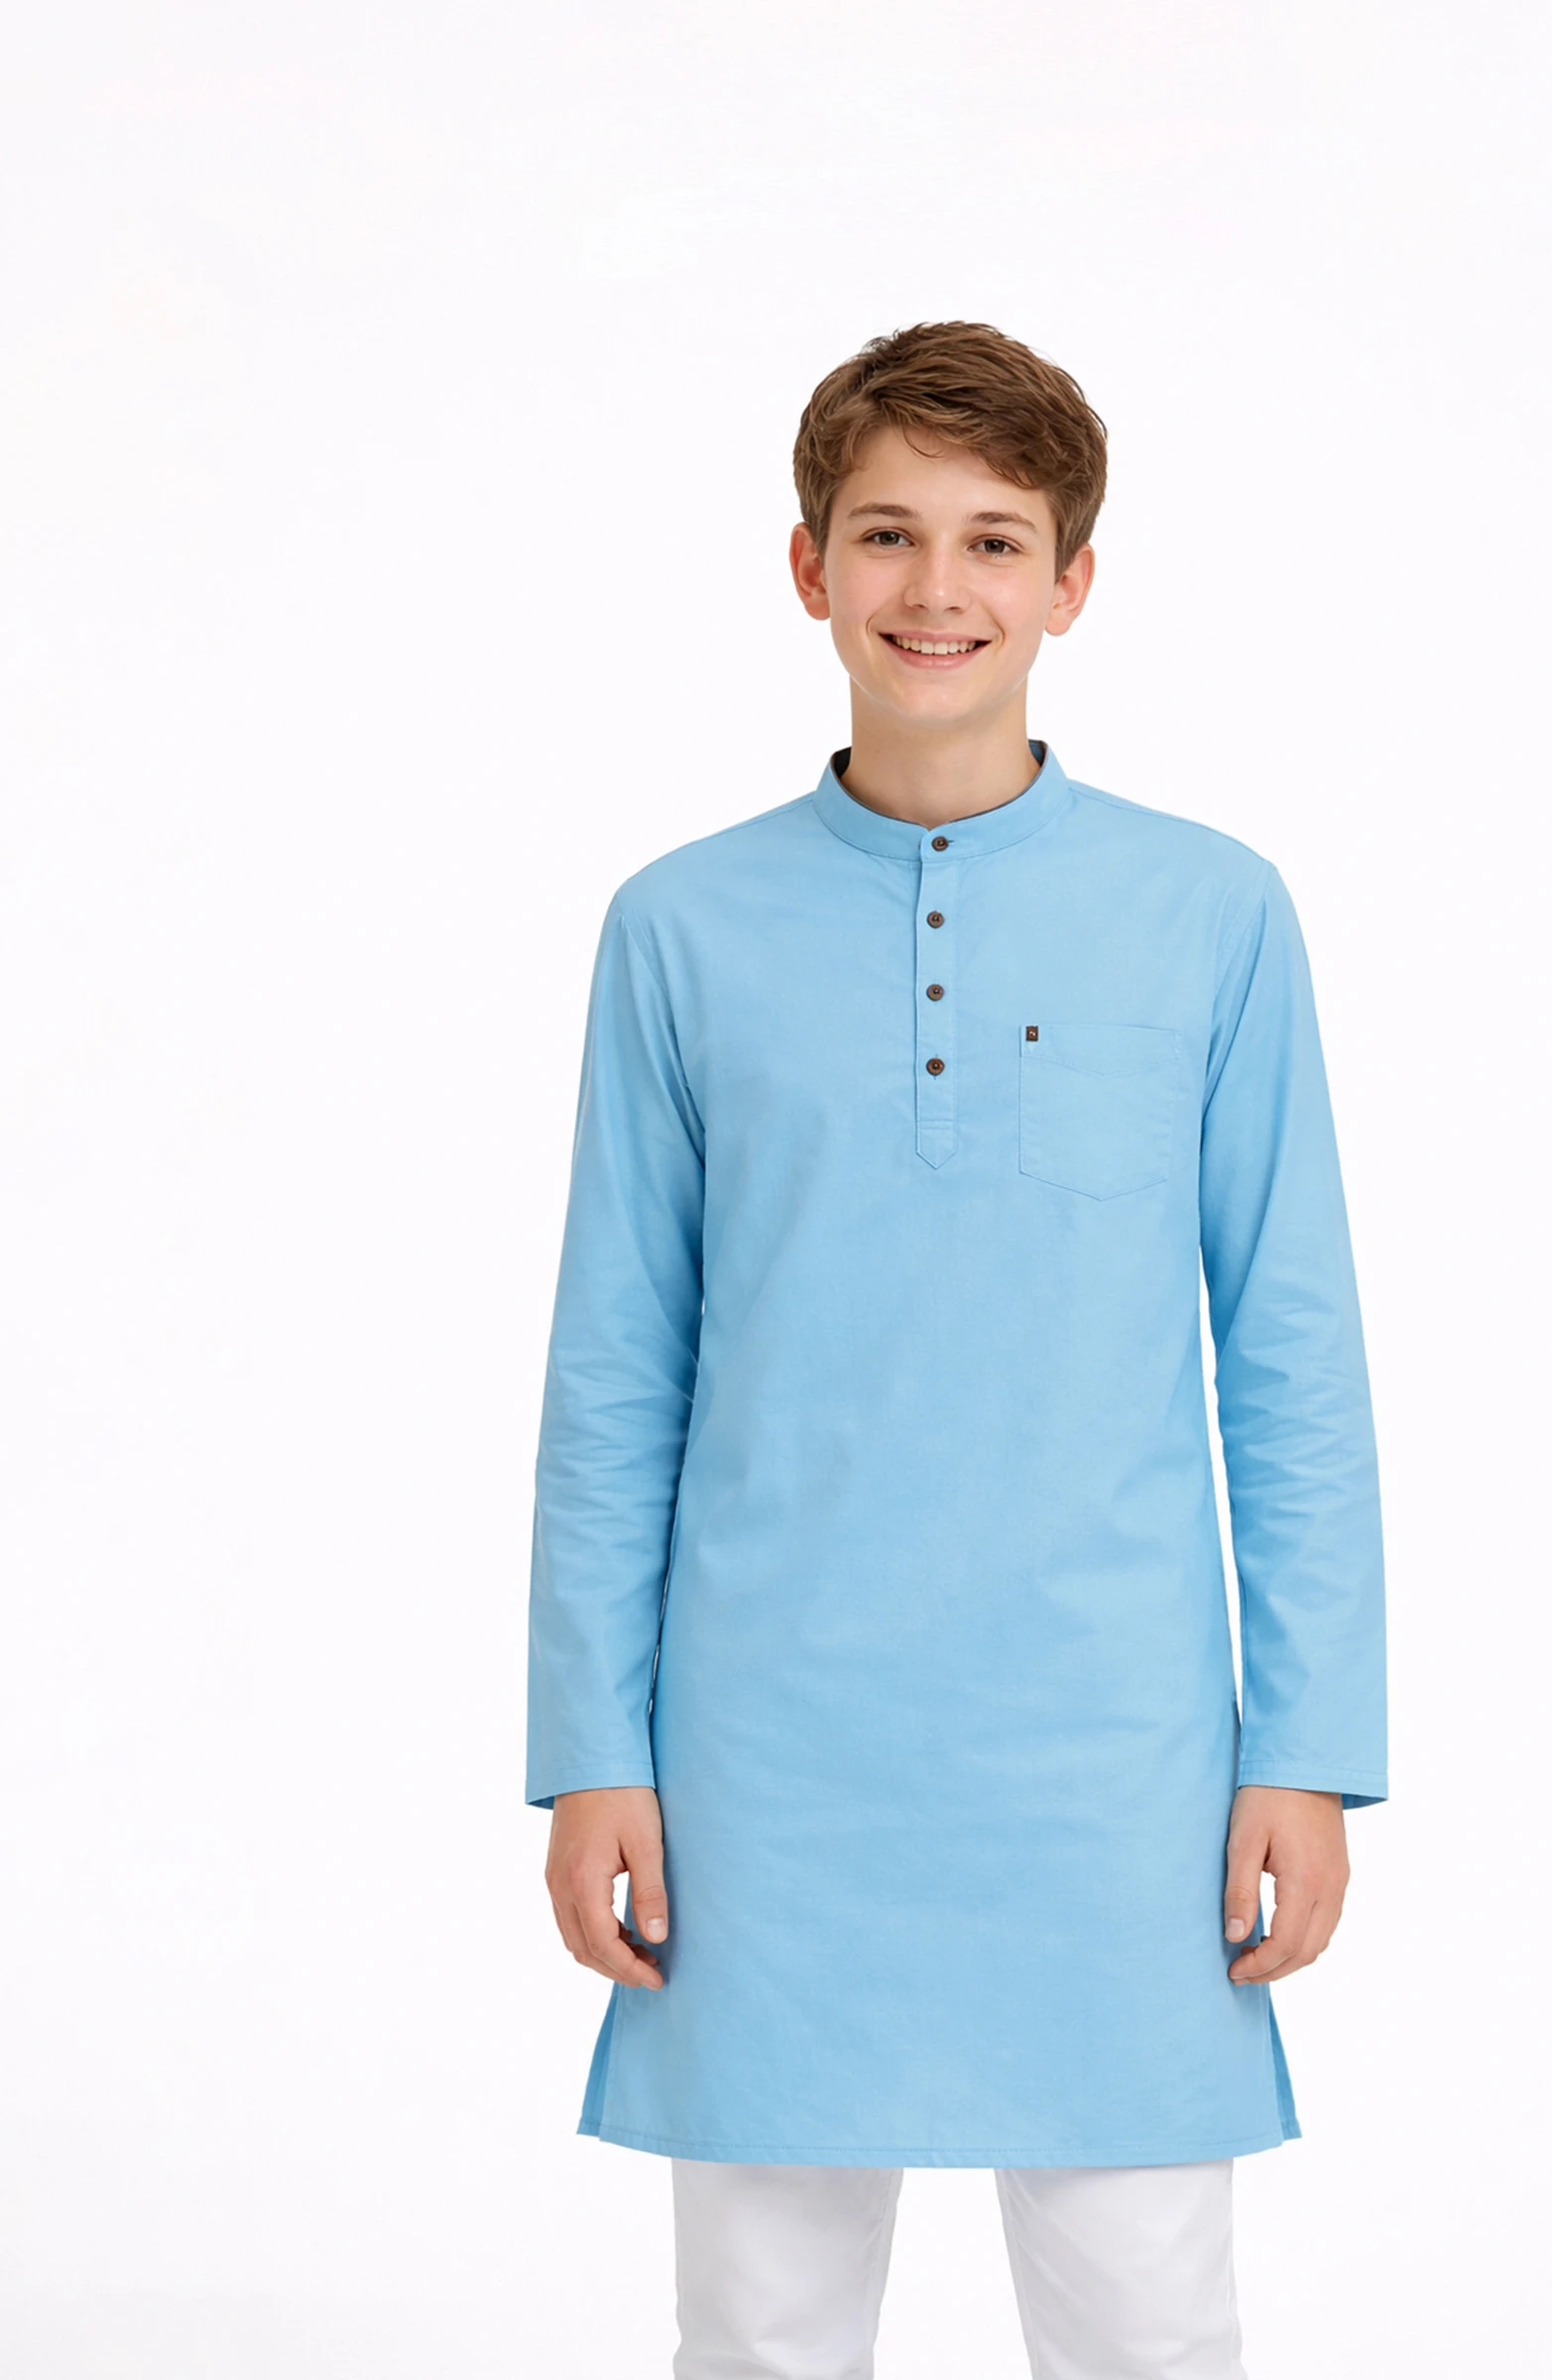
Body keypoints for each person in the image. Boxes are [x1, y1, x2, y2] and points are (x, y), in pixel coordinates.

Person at [527, 321, 1387, 2380]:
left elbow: (1290, 1356)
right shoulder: (680, 928)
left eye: (994, 540)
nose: (938, 588)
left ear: (1071, 583)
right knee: (758, 2336)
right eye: (887, 533)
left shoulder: (1210, 913)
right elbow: (615, 1370)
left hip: (1115, 1753)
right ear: (807, 565)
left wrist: (1305, 1746)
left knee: (1149, 2327)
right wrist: (592, 1747)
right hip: (762, 1755)